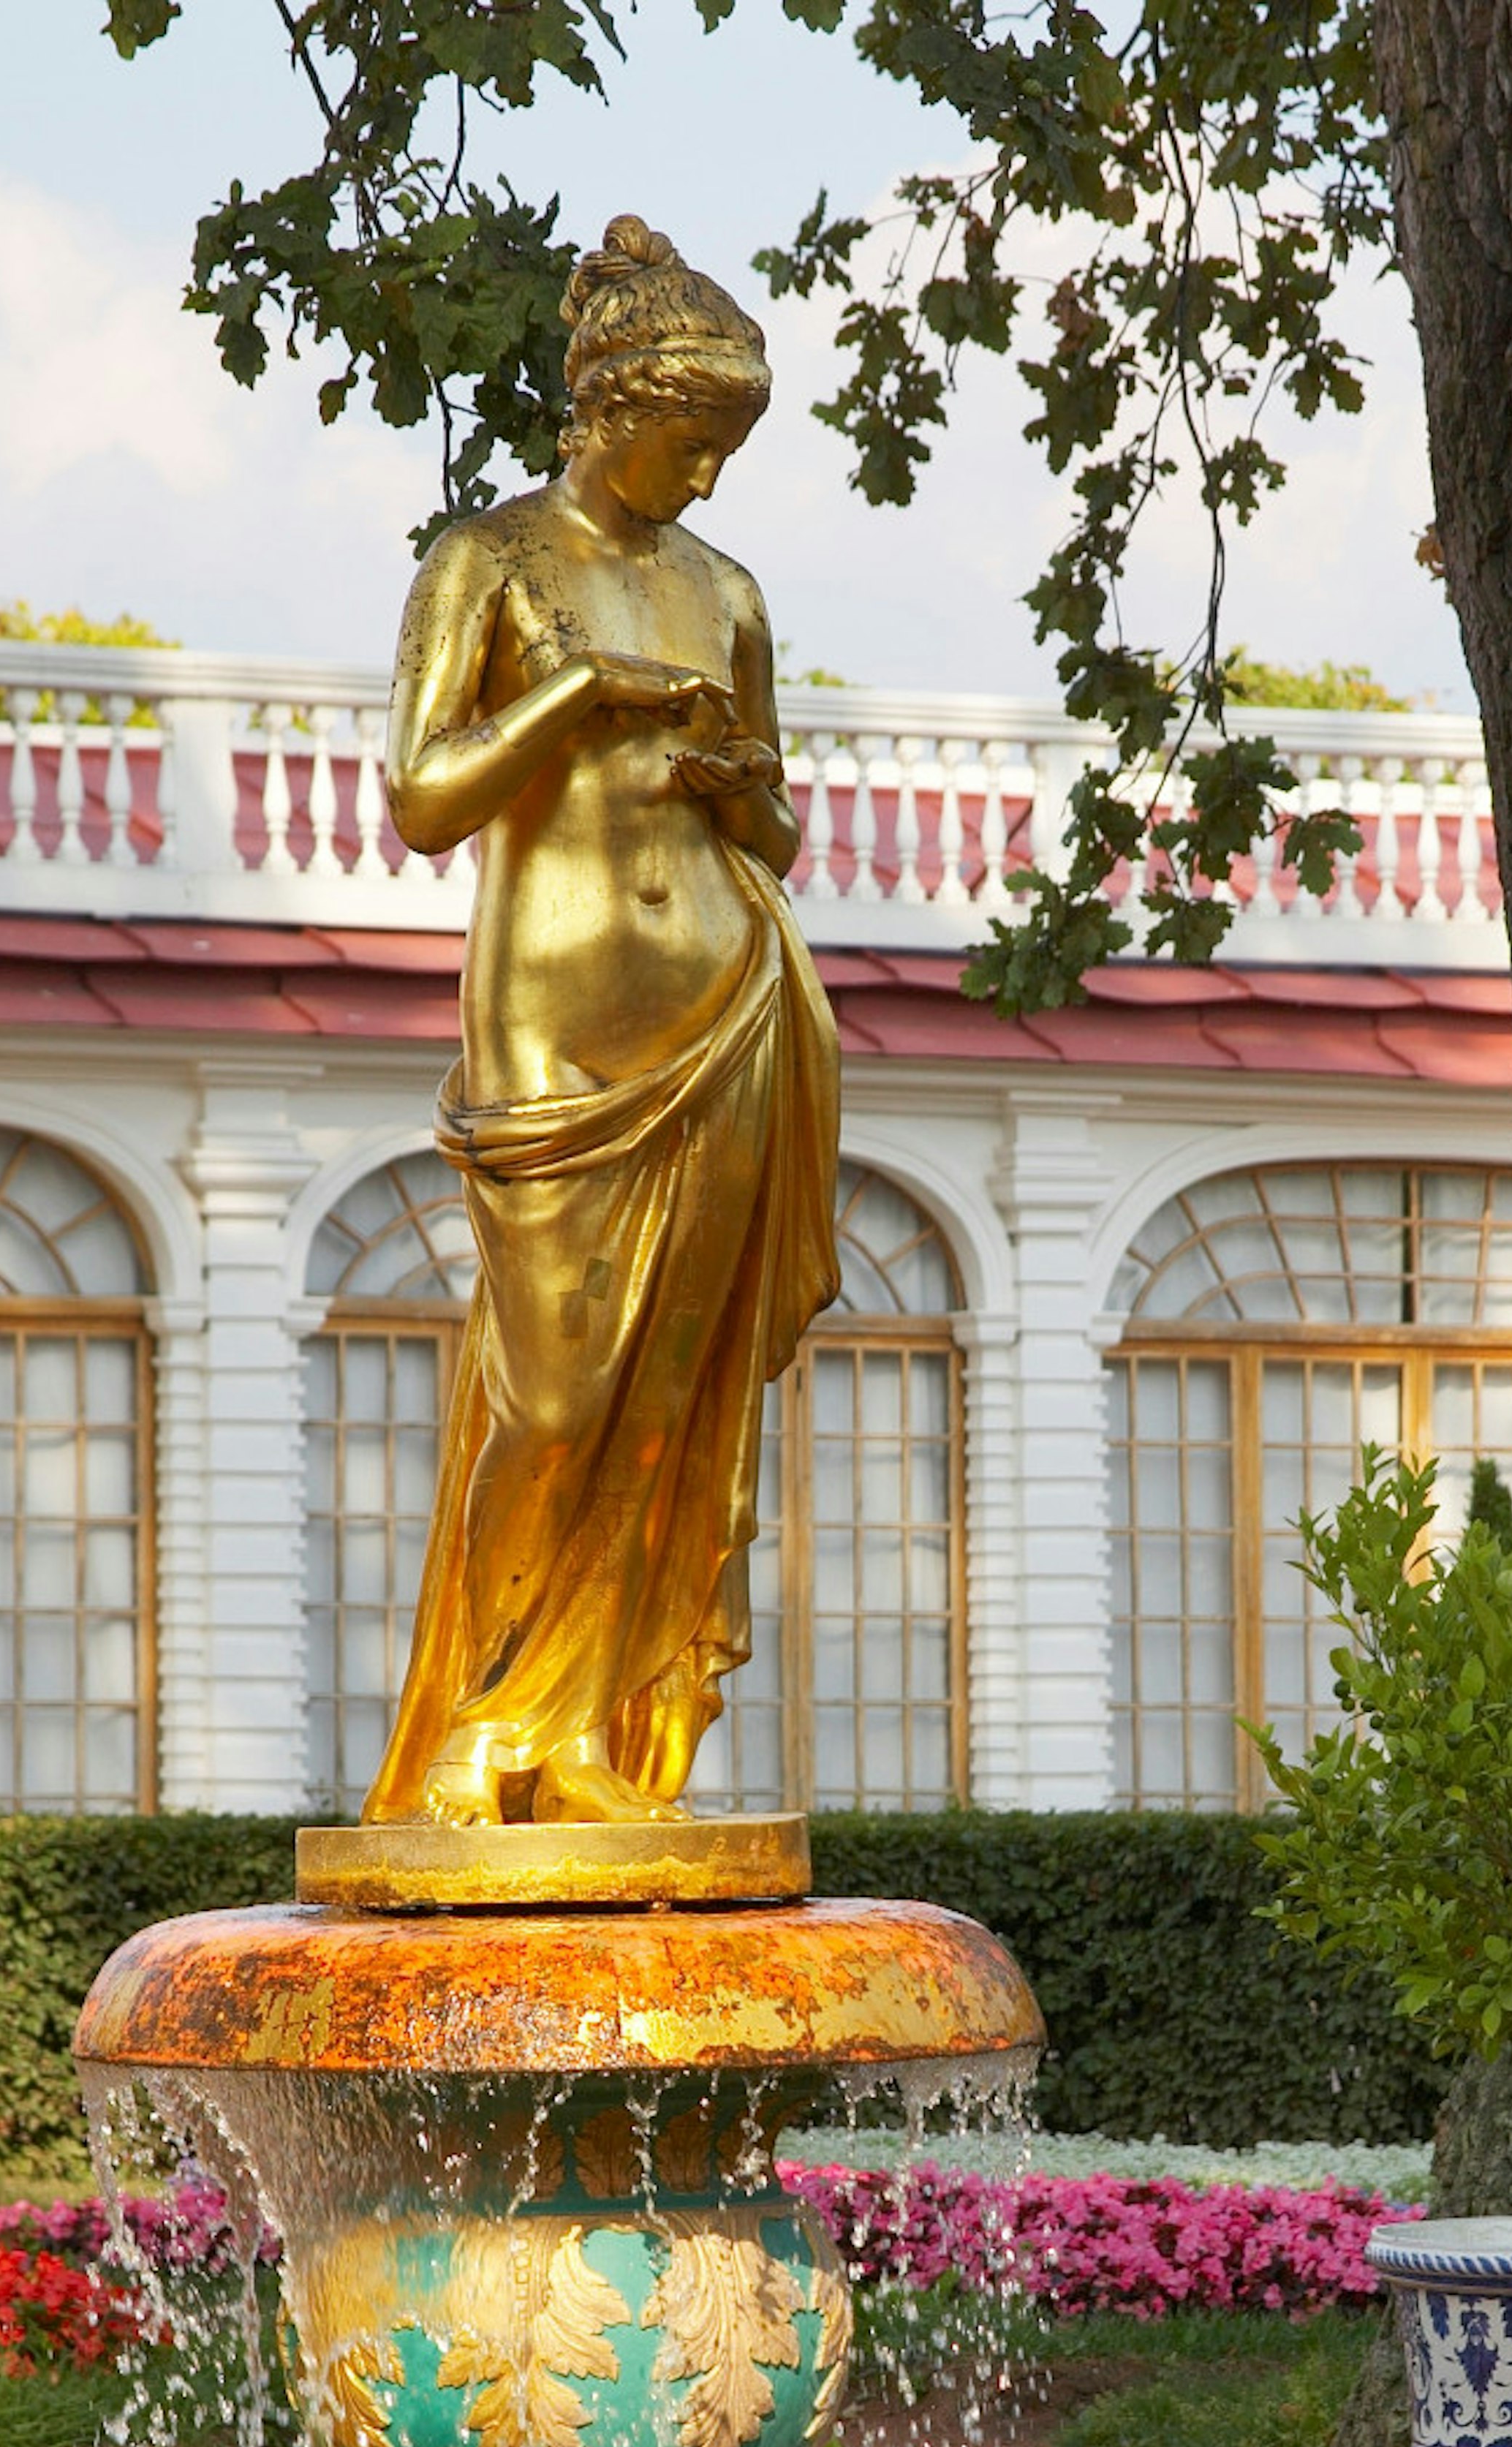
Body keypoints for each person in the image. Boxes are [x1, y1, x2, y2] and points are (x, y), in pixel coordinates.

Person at [360, 214, 842, 1829]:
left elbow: (773, 838)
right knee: (555, 1395)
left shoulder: (729, 593)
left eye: (725, 455)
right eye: (692, 444)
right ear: (616, 406)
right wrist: (575, 698)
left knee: (667, 1406)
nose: (707, 483)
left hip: (724, 1018)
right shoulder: (488, 564)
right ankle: (478, 1723)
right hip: (553, 1043)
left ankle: (583, 1738)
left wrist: (739, 787)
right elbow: (427, 800)